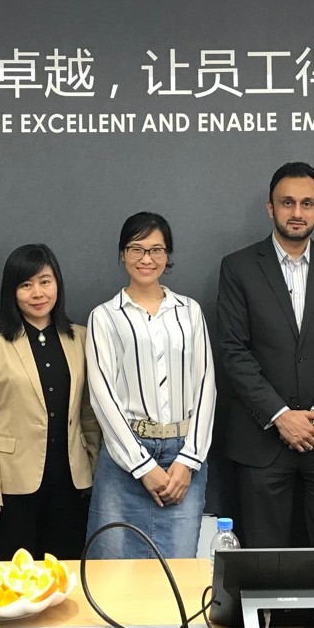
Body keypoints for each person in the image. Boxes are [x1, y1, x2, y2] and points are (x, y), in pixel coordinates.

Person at [217, 161, 314, 548]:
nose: (297, 212)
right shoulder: (238, 267)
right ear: (270, 207)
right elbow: (234, 351)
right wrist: (281, 416)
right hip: (262, 442)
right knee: (262, 560)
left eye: (307, 203)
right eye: (287, 202)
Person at [85, 212, 216, 559]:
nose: (147, 258)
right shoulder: (104, 317)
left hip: (183, 459)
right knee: (111, 569)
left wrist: (189, 460)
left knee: (177, 567)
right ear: (122, 254)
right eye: (137, 249)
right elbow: (102, 397)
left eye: (156, 249)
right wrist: (143, 467)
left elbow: (206, 386)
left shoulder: (190, 311)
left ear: (167, 254)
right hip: (125, 456)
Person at [0, 244, 101, 560]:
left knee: (66, 572)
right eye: (26, 285)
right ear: (11, 292)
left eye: (45, 281)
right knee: (17, 577)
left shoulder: (80, 337)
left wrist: (94, 473)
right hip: (12, 486)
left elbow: (89, 416)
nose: (37, 293)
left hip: (71, 482)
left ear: (58, 284)